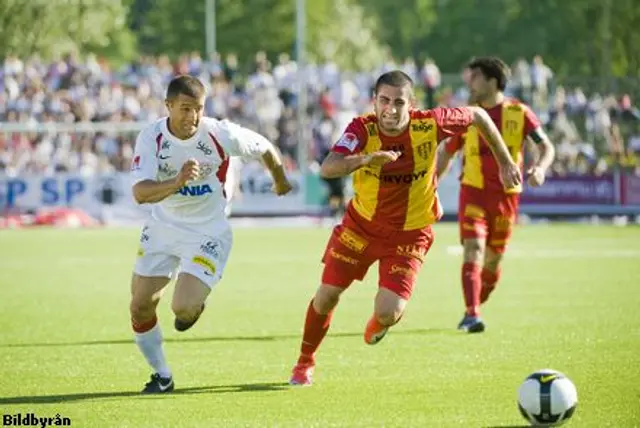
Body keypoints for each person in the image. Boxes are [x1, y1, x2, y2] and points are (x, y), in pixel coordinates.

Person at [288, 70, 521, 386]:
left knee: (389, 312)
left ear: (411, 105)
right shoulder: (361, 128)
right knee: (327, 295)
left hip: (411, 233)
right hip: (360, 227)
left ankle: (379, 323)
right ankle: (304, 362)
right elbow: (329, 167)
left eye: (399, 102)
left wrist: (506, 161)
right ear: (375, 101)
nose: (391, 109)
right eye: (384, 100)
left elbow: (478, 115)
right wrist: (367, 159)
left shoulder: (431, 124)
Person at [129, 75, 292, 393]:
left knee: (182, 309)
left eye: (198, 109)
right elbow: (139, 193)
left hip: (208, 231)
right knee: (139, 306)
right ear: (169, 106)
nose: (192, 117)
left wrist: (280, 179)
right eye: (185, 109)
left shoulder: (220, 133)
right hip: (162, 226)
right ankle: (162, 376)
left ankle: (195, 301)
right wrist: (177, 182)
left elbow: (265, 148)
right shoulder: (151, 138)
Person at [437, 57, 555, 333]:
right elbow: (446, 151)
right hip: (473, 193)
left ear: (492, 81)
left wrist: (540, 168)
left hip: (506, 198)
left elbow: (546, 146)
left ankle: (476, 301)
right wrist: (431, 185)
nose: (470, 82)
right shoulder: (468, 115)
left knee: (492, 261)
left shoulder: (520, 112)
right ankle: (472, 314)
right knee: (474, 249)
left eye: (476, 77)